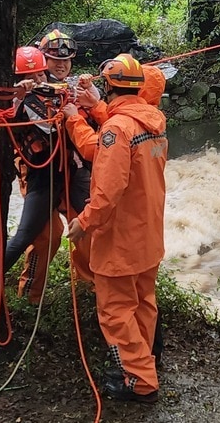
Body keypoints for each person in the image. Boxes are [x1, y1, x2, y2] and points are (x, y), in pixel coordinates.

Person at [66, 53, 168, 403]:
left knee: (115, 311)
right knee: (142, 303)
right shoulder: (153, 122)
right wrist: (94, 111)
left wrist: (83, 223)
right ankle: (143, 365)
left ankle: (139, 380)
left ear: (108, 86)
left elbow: (107, 192)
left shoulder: (115, 130)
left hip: (121, 237)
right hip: (149, 233)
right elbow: (117, 127)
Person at [5, 46, 96, 301]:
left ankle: (91, 289)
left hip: (71, 171)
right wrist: (22, 95)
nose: (38, 81)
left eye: (40, 76)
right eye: (31, 77)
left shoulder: (62, 91)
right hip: (40, 175)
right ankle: (25, 293)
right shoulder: (18, 102)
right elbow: (24, 121)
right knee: (43, 235)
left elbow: (90, 111)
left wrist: (86, 90)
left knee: (88, 226)